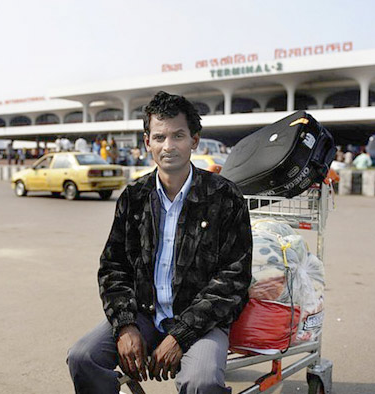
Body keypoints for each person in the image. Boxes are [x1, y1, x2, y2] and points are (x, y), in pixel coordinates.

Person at [67, 91, 252, 393]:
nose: (168, 146)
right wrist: (126, 325)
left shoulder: (224, 196)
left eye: (178, 135)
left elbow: (234, 277)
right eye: (159, 137)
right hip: (144, 313)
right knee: (83, 357)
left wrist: (182, 334)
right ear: (147, 142)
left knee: (201, 382)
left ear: (194, 140)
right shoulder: (134, 197)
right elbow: (113, 267)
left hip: (202, 320)